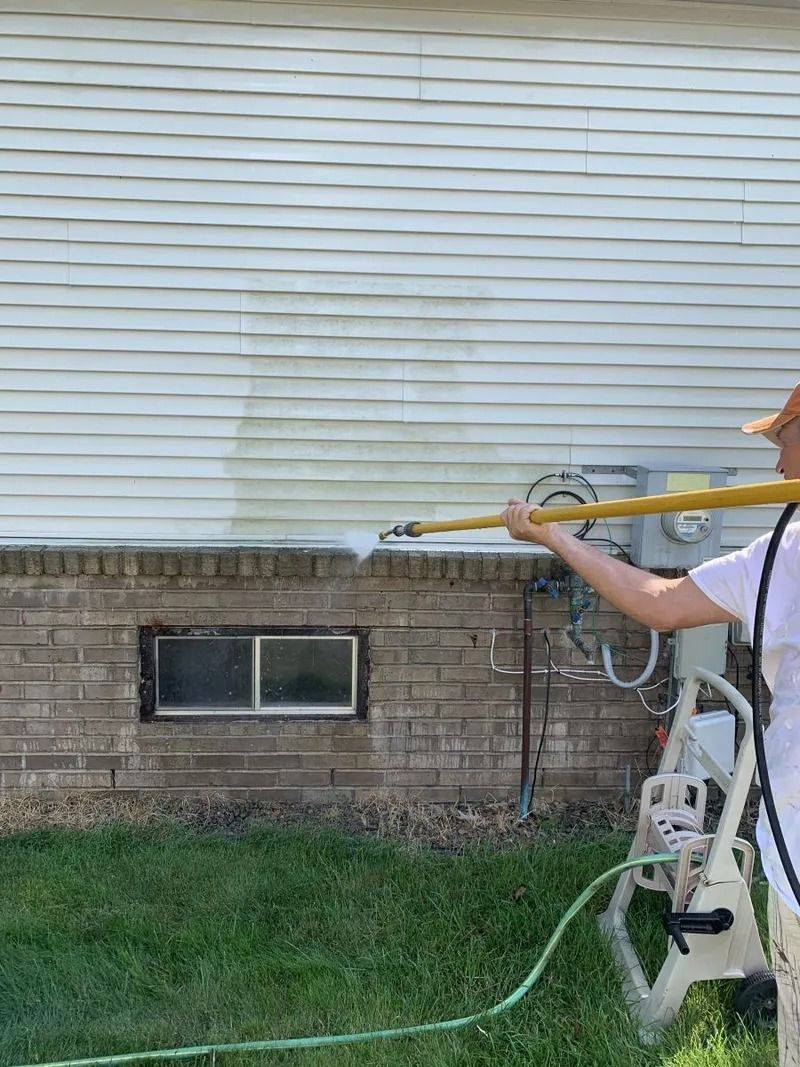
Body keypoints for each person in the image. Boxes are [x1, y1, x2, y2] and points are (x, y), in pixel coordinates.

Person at [502, 384, 800, 1066]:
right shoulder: (780, 555)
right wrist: (553, 536)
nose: (780, 466)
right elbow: (661, 602)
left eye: (784, 442)